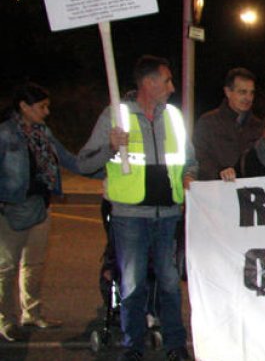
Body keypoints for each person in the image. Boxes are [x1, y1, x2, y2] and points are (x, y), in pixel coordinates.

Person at [77, 55, 196, 361]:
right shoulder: (115, 117)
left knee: (170, 283)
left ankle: (175, 344)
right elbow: (85, 164)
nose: (171, 87)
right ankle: (133, 346)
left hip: (169, 216)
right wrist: (110, 146)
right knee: (132, 284)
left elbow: (189, 163)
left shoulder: (173, 117)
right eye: (167, 80)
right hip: (129, 217)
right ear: (149, 83)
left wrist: (188, 178)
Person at [0, 83, 81, 339]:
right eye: (42, 106)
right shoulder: (5, 133)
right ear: (24, 107)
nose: (46, 112)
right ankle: (5, 320)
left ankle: (32, 314)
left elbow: (68, 159)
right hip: (12, 208)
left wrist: (104, 163)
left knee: (33, 263)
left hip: (41, 205)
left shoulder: (42, 131)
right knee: (7, 266)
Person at [194, 67, 262, 181]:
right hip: (217, 191)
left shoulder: (259, 126)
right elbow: (200, 157)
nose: (248, 98)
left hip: (250, 193)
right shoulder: (208, 123)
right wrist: (220, 173)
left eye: (251, 93)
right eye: (242, 92)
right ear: (228, 92)